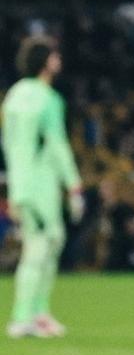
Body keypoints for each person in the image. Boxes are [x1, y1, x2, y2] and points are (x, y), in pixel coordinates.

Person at [4, 36, 85, 338]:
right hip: (41, 185)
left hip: (21, 183)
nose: (58, 60)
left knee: (51, 242)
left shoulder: (13, 96)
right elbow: (57, 144)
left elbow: (9, 144)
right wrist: (74, 185)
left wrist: (15, 186)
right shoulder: (48, 99)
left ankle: (38, 313)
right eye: (54, 55)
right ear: (44, 61)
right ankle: (23, 317)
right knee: (39, 249)